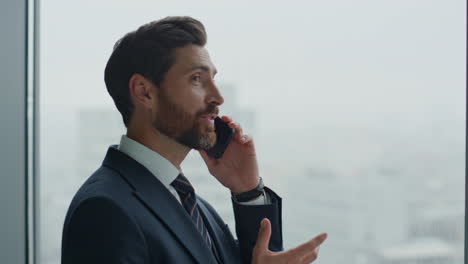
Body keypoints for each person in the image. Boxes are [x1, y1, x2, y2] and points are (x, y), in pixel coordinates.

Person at [61, 16, 327, 264]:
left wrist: (247, 192)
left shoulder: (192, 203)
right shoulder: (104, 211)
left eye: (213, 79)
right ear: (144, 92)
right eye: (197, 79)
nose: (217, 97)